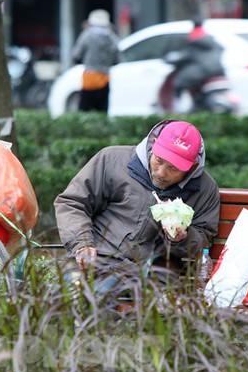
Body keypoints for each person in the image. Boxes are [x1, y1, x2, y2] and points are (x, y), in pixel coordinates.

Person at [54, 120, 221, 303]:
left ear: (193, 166)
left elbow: (204, 237)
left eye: (173, 168)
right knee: (66, 294)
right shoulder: (112, 159)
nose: (161, 173)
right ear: (154, 143)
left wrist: (183, 238)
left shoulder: (204, 189)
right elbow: (72, 202)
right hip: (99, 258)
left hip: (154, 274)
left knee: (99, 295)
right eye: (159, 160)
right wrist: (82, 243)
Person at [163, 18, 226, 111]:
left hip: (202, 72)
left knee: (178, 84)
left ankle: (177, 109)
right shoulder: (210, 39)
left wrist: (171, 60)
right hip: (218, 71)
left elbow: (185, 55)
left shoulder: (195, 38)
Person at [71, 9, 120, 112]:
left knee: (84, 111)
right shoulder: (111, 37)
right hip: (105, 78)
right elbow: (117, 59)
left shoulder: (87, 35)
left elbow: (76, 55)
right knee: (102, 112)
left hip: (90, 78)